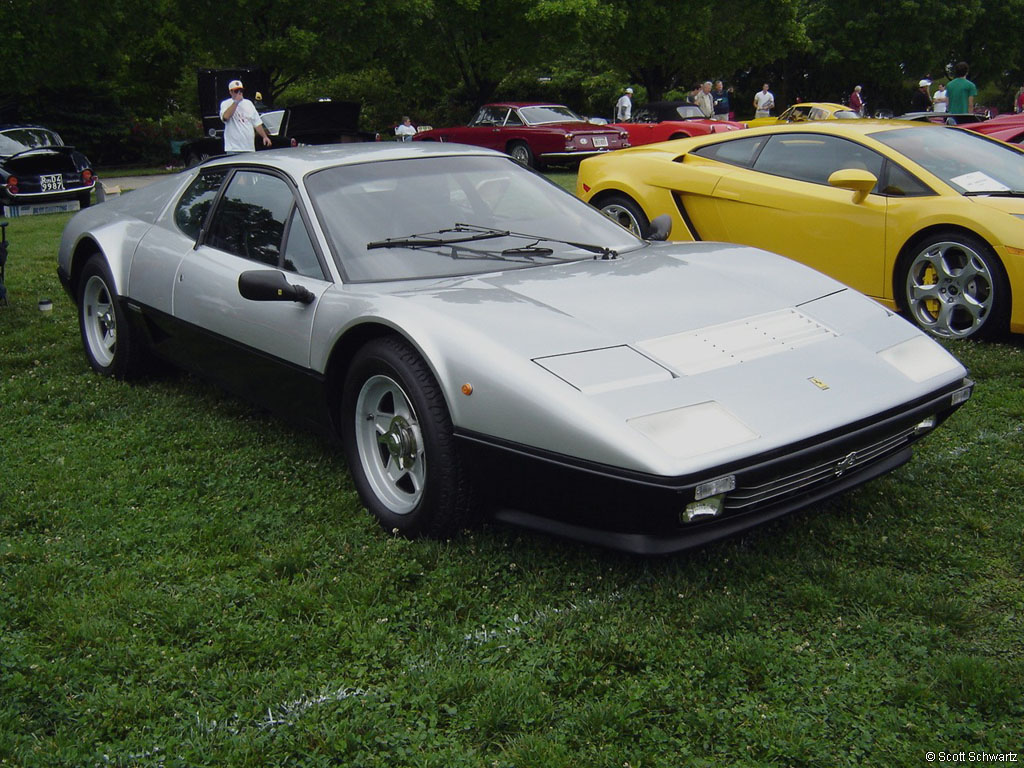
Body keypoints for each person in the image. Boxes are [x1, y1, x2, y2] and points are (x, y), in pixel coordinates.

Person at [220, 79, 272, 153]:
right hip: (233, 148)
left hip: (249, 147)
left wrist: (264, 136)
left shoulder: (249, 104)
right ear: (230, 92)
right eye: (236, 91)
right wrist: (236, 102)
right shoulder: (226, 103)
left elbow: (256, 123)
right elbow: (225, 117)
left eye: (241, 90)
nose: (239, 93)